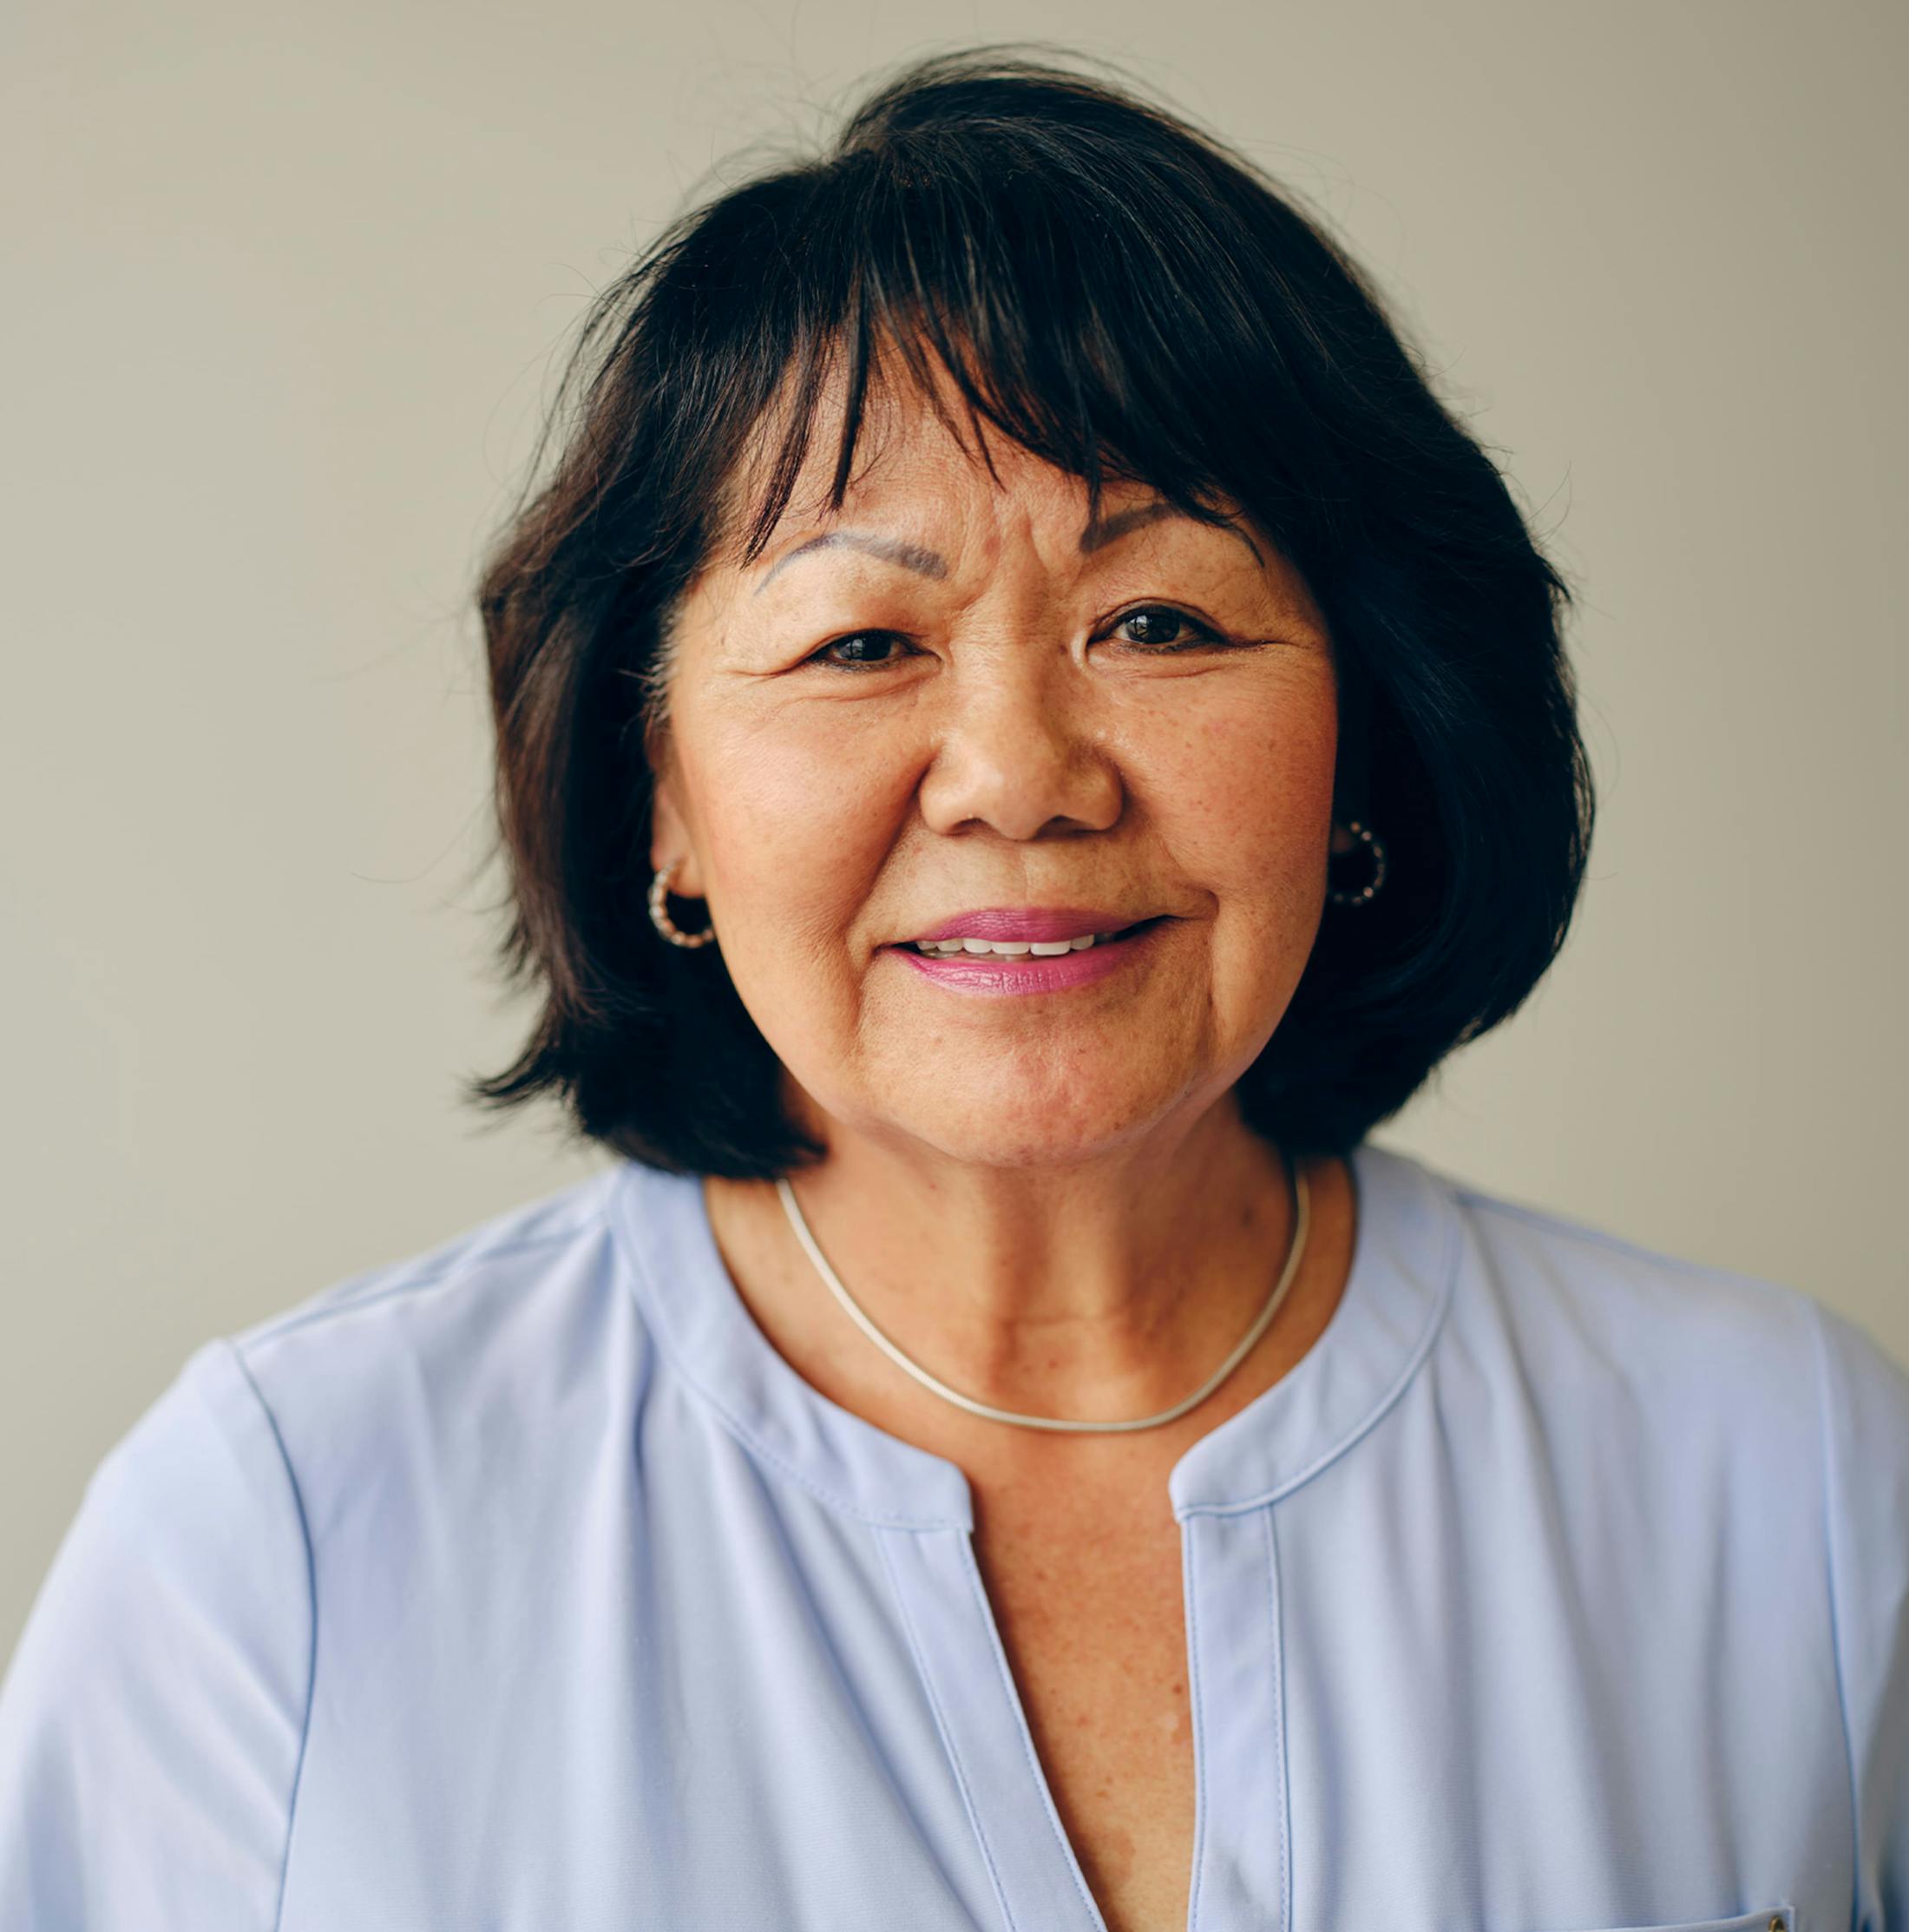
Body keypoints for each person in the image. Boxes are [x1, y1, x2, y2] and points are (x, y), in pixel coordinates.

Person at [2, 45, 1905, 1932]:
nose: (1016, 772)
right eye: (857, 641)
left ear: (1365, 739)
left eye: (1155, 619)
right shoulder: (288, 1538)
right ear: (659, 797)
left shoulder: (1787, 1483)